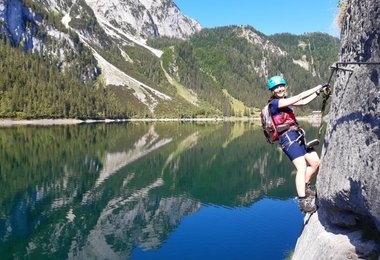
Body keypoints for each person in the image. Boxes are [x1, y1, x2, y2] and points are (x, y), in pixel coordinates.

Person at [266, 75, 330, 213]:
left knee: (315, 162)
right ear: (272, 90)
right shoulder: (275, 104)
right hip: (287, 138)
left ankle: (305, 186)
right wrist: (318, 86)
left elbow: (302, 102)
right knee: (301, 167)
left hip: (297, 136)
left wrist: (318, 93)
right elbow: (300, 96)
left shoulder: (284, 101)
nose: (279, 89)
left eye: (281, 86)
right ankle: (303, 202)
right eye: (276, 88)